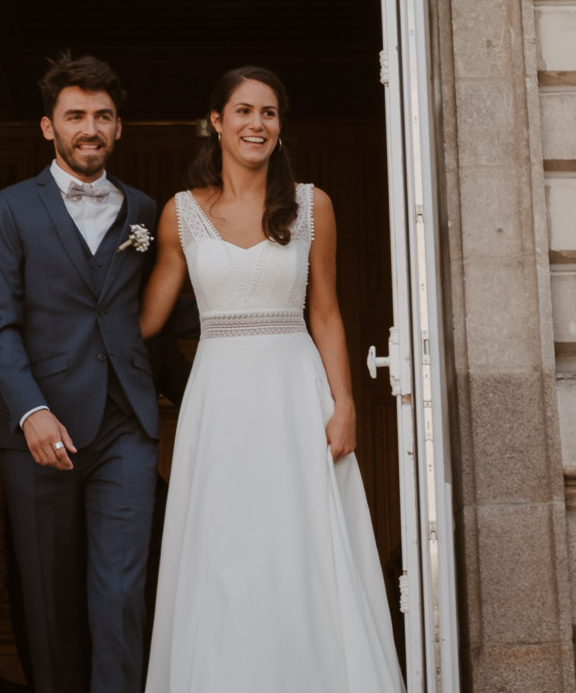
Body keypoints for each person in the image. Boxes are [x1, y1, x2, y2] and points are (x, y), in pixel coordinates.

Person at [140, 67, 403, 692]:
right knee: (223, 545)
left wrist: (345, 404)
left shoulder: (313, 205)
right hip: (219, 398)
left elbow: (327, 312)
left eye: (269, 113)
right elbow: (146, 319)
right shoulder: (181, 213)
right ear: (217, 121)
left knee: (300, 543)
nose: (256, 123)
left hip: (294, 390)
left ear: (280, 128)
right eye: (243, 111)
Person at [0, 54, 163, 693]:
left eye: (103, 116)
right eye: (76, 116)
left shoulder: (144, 209)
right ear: (47, 127)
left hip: (124, 425)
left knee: (121, 590)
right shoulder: (7, 209)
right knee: (48, 595)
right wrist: (26, 408)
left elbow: (171, 314)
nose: (91, 128)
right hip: (39, 426)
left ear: (119, 129)